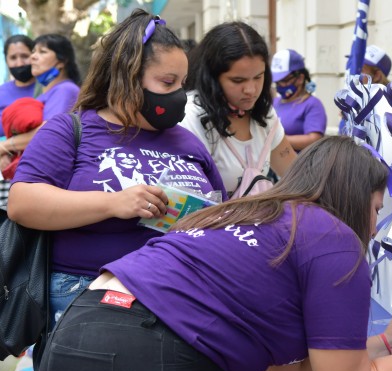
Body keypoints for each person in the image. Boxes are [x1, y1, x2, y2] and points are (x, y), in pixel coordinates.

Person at [37, 136, 392, 371]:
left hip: (74, 335)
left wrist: (387, 343)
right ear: (352, 199)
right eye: (375, 210)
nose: (372, 228)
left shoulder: (247, 210)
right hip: (148, 357)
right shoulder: (335, 239)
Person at [7, 8, 227, 340]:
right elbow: (22, 203)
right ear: (127, 74)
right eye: (167, 82)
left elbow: (220, 211)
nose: (179, 94)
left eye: (183, 83)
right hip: (87, 299)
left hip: (181, 299)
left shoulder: (188, 142)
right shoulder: (71, 129)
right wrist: (114, 203)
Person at [181, 22, 297, 199]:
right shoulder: (191, 116)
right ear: (212, 77)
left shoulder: (265, 115)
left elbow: (296, 176)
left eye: (258, 77)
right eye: (237, 80)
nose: (251, 90)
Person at [2, 34, 81, 156]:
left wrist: (5, 146)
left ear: (61, 62)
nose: (33, 57)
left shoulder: (66, 90)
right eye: (33, 52)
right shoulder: (47, 93)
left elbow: (48, 133)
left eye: (42, 52)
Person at [0, 34, 35, 205]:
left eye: (24, 56)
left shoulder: (46, 89)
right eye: (13, 58)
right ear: (6, 60)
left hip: (38, 163)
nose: (20, 63)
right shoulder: (2, 92)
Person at [271, 49, 327, 151]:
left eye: (284, 80)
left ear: (300, 78)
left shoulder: (312, 104)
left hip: (300, 165)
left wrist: (277, 140)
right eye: (277, 82)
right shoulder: (273, 103)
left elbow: (314, 139)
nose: (280, 85)